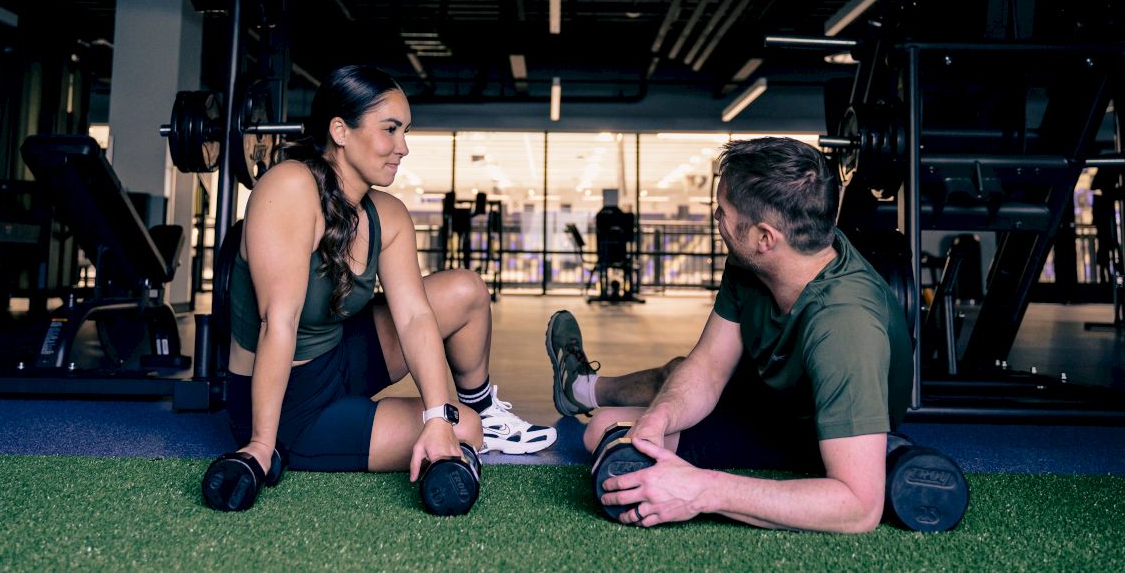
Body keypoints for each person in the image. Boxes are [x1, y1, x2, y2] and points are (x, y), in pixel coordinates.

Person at [546, 136, 912, 533]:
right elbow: (707, 367)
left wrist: (701, 490)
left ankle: (882, 452)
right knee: (605, 429)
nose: (716, 220)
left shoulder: (845, 327)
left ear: (765, 237)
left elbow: (858, 508)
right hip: (777, 405)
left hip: (819, 430)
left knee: (619, 446)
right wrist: (660, 416)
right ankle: (584, 390)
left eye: (722, 212)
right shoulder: (756, 262)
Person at [227, 64, 555, 484]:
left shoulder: (389, 214)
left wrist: (438, 416)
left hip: (342, 355)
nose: (403, 147)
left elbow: (416, 319)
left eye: (406, 131)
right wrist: (260, 445)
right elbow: (280, 322)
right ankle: (472, 424)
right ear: (341, 131)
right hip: (286, 397)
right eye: (390, 129)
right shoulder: (289, 187)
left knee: (464, 290)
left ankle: (484, 408)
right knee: (464, 429)